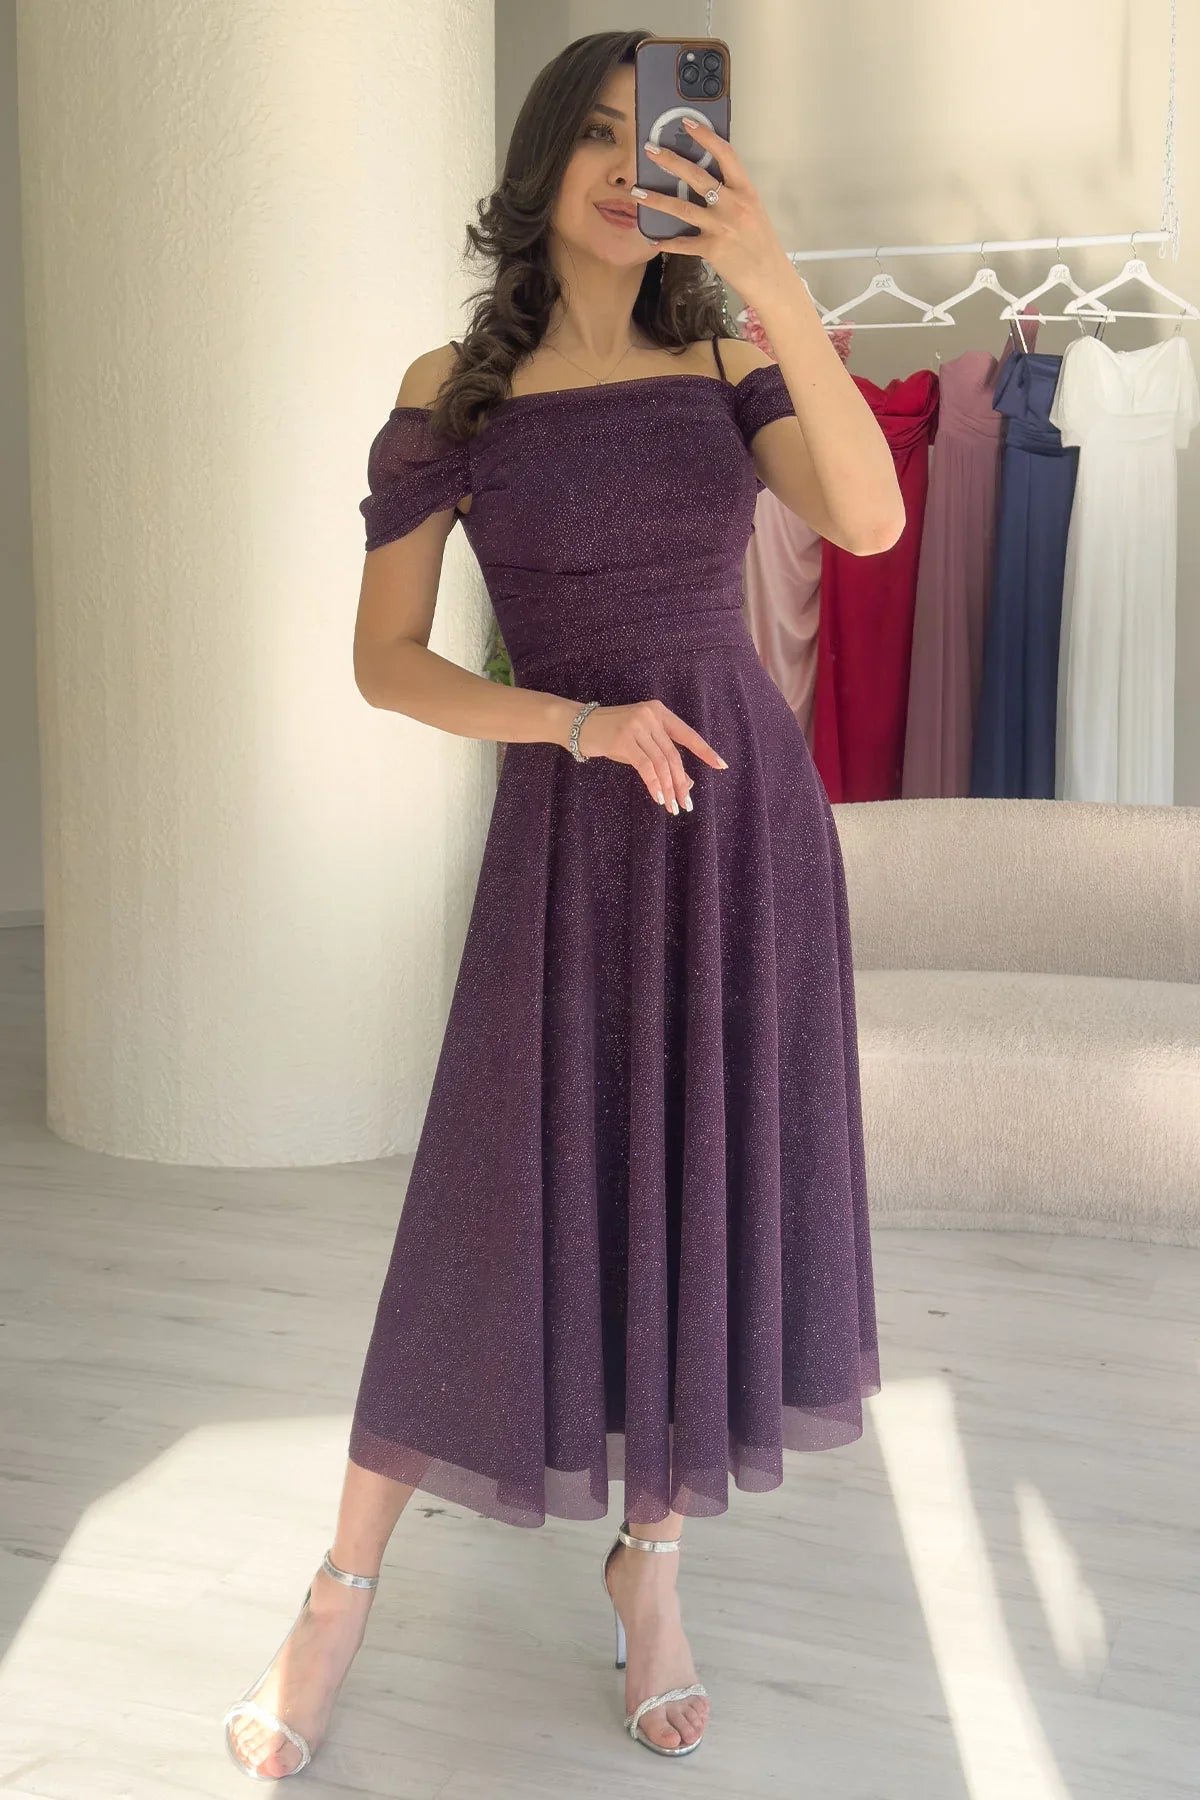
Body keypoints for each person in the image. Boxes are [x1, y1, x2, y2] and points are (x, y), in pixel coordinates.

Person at [223, 26, 899, 1781]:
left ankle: (650, 1569)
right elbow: (386, 662)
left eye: (652, 138)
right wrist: (575, 724)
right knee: (486, 1199)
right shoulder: (454, 387)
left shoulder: (729, 352)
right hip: (569, 827)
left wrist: (770, 276)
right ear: (538, 166)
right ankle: (338, 1590)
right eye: (593, 134)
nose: (622, 166)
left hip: (743, 828)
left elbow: (872, 519)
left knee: (702, 1181)